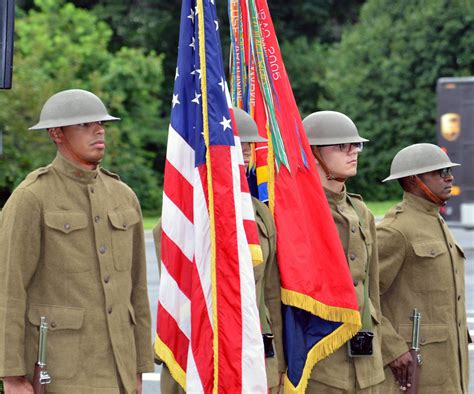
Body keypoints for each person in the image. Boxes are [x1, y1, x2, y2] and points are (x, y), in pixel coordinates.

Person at [0, 89, 154, 393]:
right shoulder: (31, 197)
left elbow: (136, 289)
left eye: (100, 123)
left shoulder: (123, 196)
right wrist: (12, 376)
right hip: (61, 372)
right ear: (57, 133)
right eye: (84, 124)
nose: (98, 130)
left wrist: (139, 366)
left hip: (119, 370)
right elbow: (9, 289)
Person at [153, 107, 285, 393]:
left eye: (251, 144)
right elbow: (178, 291)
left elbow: (271, 294)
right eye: (241, 143)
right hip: (202, 351)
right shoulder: (184, 217)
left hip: (254, 351)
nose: (249, 150)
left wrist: (281, 362)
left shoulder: (259, 213)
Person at [377, 143, 470, 393]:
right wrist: (392, 347)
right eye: (439, 172)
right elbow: (363, 296)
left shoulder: (435, 220)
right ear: (413, 180)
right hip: (416, 370)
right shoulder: (395, 229)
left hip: (448, 368)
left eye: (448, 170)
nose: (448, 177)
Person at [303, 110, 384, 393]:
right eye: (341, 146)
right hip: (321, 360)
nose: (353, 152)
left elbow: (372, 289)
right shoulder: (297, 211)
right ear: (313, 154)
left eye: (355, 145)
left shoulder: (361, 211)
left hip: (366, 358)